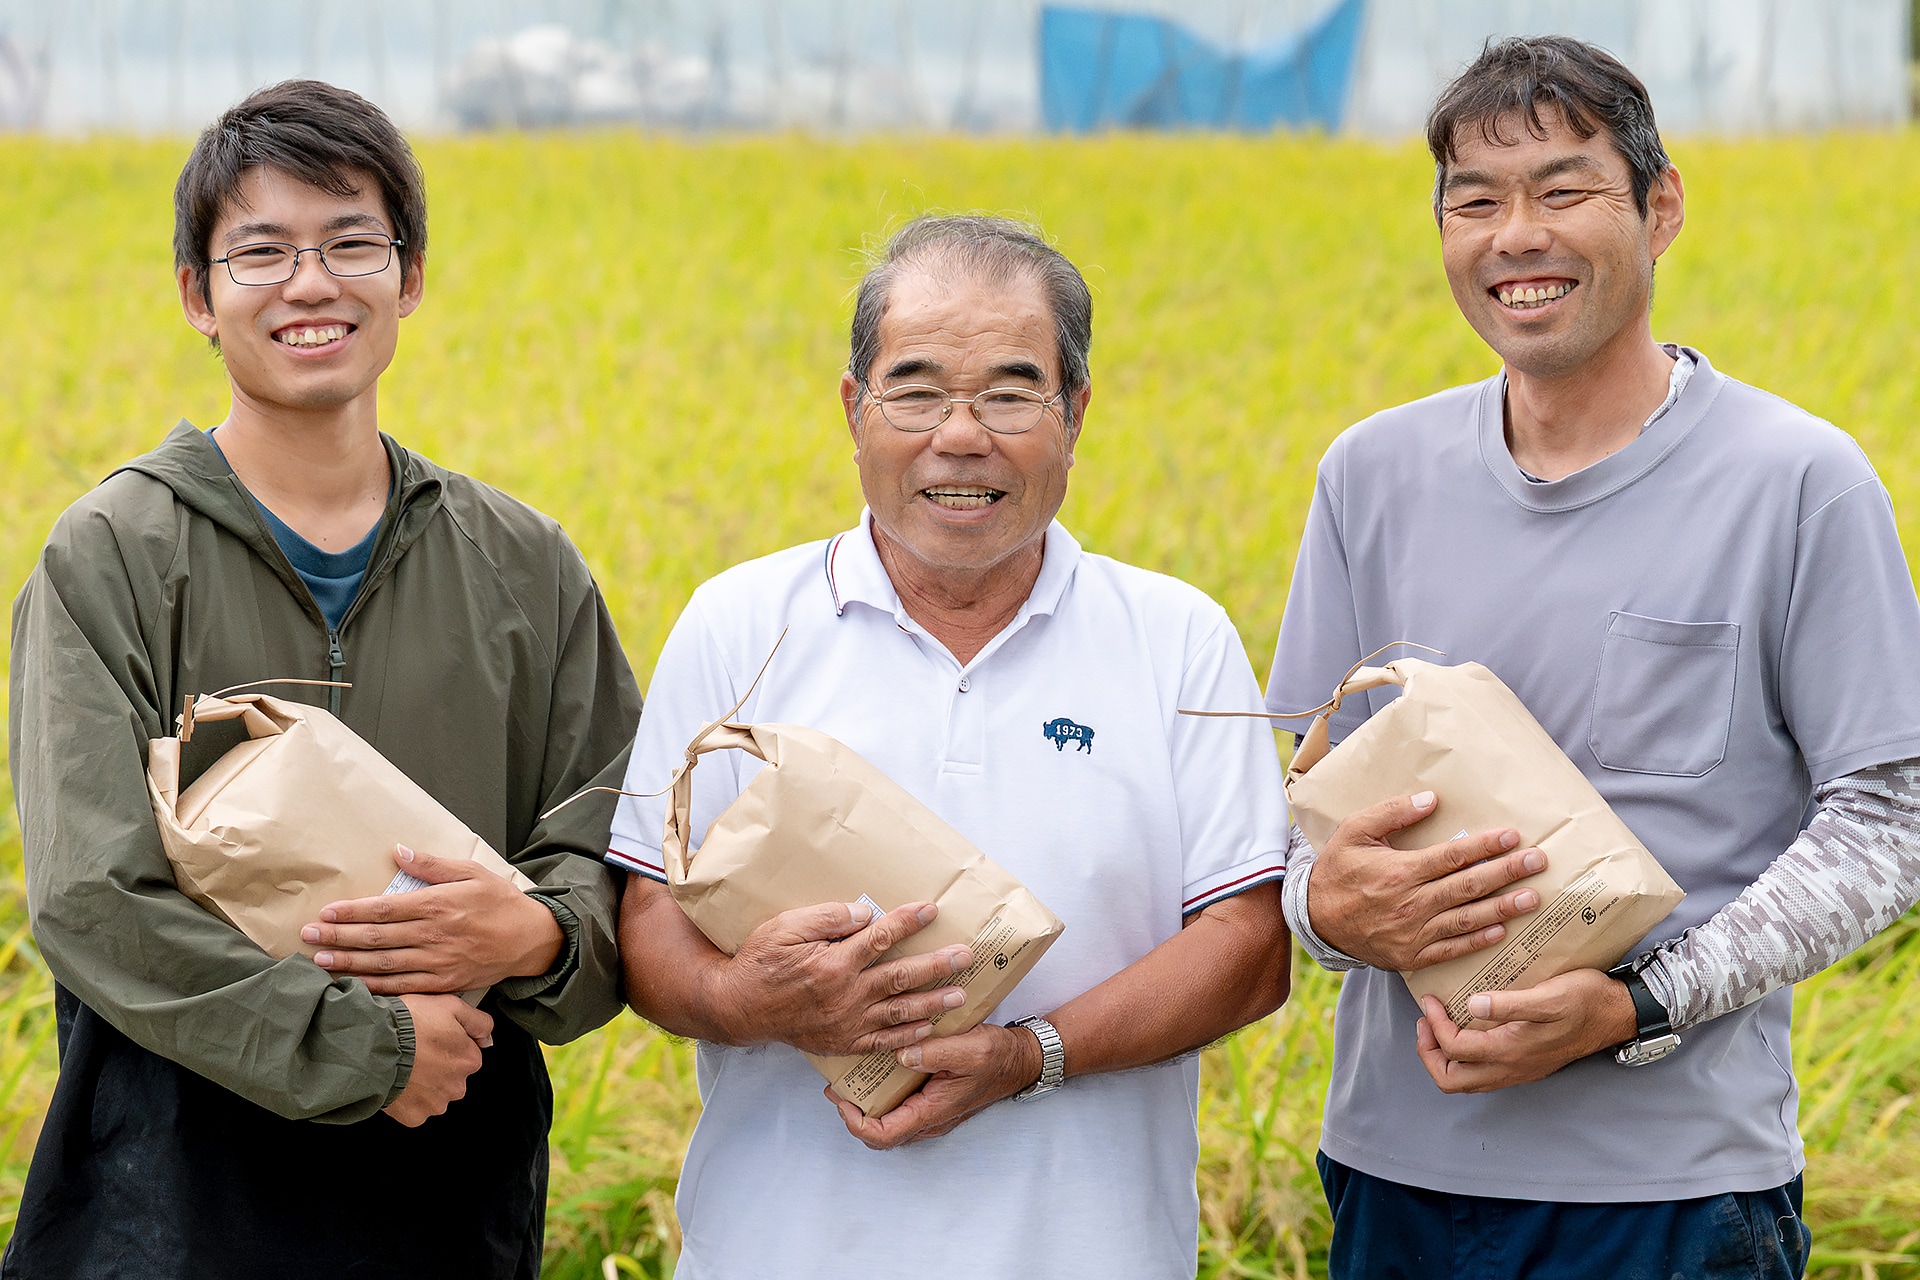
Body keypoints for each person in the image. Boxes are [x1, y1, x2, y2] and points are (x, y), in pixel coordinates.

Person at [1266, 36, 1920, 1279]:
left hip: (1675, 1198)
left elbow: (1892, 817)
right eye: (1475, 200)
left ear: (1658, 205)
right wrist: (1326, 911)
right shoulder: (1371, 474)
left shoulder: (1798, 482)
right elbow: (1287, 800)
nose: (1516, 236)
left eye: (1563, 191)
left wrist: (1638, 1005)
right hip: (1395, 1174)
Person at [6, 80, 640, 1279]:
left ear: (407, 277)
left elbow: (616, 854)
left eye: (353, 241)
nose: (311, 283)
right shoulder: (115, 554)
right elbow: (95, 896)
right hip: (170, 1207)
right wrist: (364, 1046)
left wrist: (534, 932)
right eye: (263, 252)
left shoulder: (524, 565)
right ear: (198, 294)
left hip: (449, 1197)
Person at [609, 214, 1292, 1279]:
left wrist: (1029, 1055)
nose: (961, 435)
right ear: (854, 409)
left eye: (1011, 393)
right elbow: (648, 911)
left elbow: (1249, 944)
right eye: (917, 391)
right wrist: (750, 1000)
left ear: (1075, 413)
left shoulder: (1175, 637)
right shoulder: (742, 622)